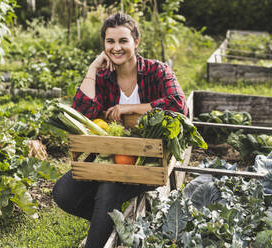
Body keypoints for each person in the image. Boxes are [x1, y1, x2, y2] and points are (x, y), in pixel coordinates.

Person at [53, 12, 187, 248]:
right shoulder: (104, 77)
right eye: (110, 41)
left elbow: (178, 104)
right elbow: (82, 112)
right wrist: (93, 67)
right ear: (104, 45)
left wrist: (132, 108)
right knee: (63, 192)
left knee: (108, 188)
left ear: (136, 42)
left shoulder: (157, 71)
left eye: (123, 41)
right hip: (109, 156)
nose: (116, 47)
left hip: (147, 161)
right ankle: (115, 225)